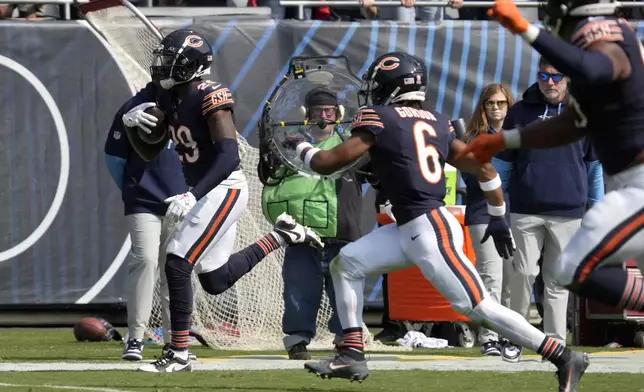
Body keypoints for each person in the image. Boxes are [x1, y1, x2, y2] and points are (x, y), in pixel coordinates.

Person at [283, 51, 589, 391]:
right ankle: (351, 353)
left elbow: (325, 162)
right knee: (347, 264)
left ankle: (562, 355)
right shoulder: (437, 122)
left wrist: (300, 145)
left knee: (478, 307)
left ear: (390, 86)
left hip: (429, 229)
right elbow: (485, 169)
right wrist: (499, 217)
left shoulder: (380, 118)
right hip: (410, 228)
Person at [460, 0, 644, 387]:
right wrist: (503, 140)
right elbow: (571, 126)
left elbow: (594, 66)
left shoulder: (606, 38)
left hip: (639, 182)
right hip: (627, 184)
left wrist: (525, 30)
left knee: (573, 269)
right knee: (570, 270)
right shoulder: (584, 77)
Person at [129, 29, 324, 373]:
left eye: (169, 61)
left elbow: (228, 158)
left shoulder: (211, 95)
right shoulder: (168, 96)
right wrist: (135, 128)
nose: (160, 67)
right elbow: (150, 150)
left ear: (191, 66)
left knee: (177, 261)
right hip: (208, 189)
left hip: (224, 187)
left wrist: (193, 194)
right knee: (215, 280)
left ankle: (178, 354)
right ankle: (281, 235)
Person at [496, 58, 604, 363]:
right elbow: (503, 164)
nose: (550, 82)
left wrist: (596, 209)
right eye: (544, 76)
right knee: (523, 274)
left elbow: (594, 167)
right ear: (537, 76)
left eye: (556, 76)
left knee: (557, 282)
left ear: (567, 79)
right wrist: (499, 207)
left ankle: (555, 344)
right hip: (524, 210)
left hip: (570, 212)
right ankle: (517, 338)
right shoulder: (518, 112)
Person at [260, 87, 364, 359]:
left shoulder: (350, 143)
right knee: (298, 287)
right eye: (318, 112)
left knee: (343, 289)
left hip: (341, 230)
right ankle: (296, 340)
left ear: (339, 114)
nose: (324, 117)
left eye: (329, 112)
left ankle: (346, 337)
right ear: (307, 115)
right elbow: (270, 176)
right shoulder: (291, 145)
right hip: (301, 233)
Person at [105, 85, 192, 362]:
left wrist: (194, 193)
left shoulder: (192, 105)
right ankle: (135, 337)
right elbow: (114, 157)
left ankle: (173, 340)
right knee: (145, 260)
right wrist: (133, 190)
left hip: (182, 200)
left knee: (175, 270)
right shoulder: (134, 106)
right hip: (144, 199)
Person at [461, 83, 515, 356]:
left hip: (515, 214)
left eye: (501, 103)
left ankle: (509, 334)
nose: (495, 108)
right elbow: (473, 179)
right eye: (490, 103)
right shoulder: (472, 137)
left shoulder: (518, 136)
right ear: (482, 107)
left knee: (512, 281)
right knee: (491, 277)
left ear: (509, 105)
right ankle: (489, 336)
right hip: (483, 214)